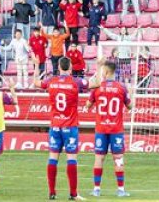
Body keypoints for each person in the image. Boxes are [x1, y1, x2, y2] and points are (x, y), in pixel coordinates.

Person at [37, 57, 91, 201]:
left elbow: (36, 83)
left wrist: (36, 65)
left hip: (55, 126)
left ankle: (52, 192)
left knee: (53, 157)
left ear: (59, 67)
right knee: (71, 158)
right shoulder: (76, 81)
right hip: (70, 126)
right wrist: (99, 67)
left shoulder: (51, 81)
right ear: (71, 67)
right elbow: (95, 83)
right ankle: (73, 194)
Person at [90, 60, 131, 198]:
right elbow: (130, 106)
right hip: (116, 130)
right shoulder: (121, 88)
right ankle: (121, 190)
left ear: (106, 72)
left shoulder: (97, 87)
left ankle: (96, 189)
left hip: (101, 129)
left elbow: (88, 105)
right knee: (118, 158)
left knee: (99, 158)